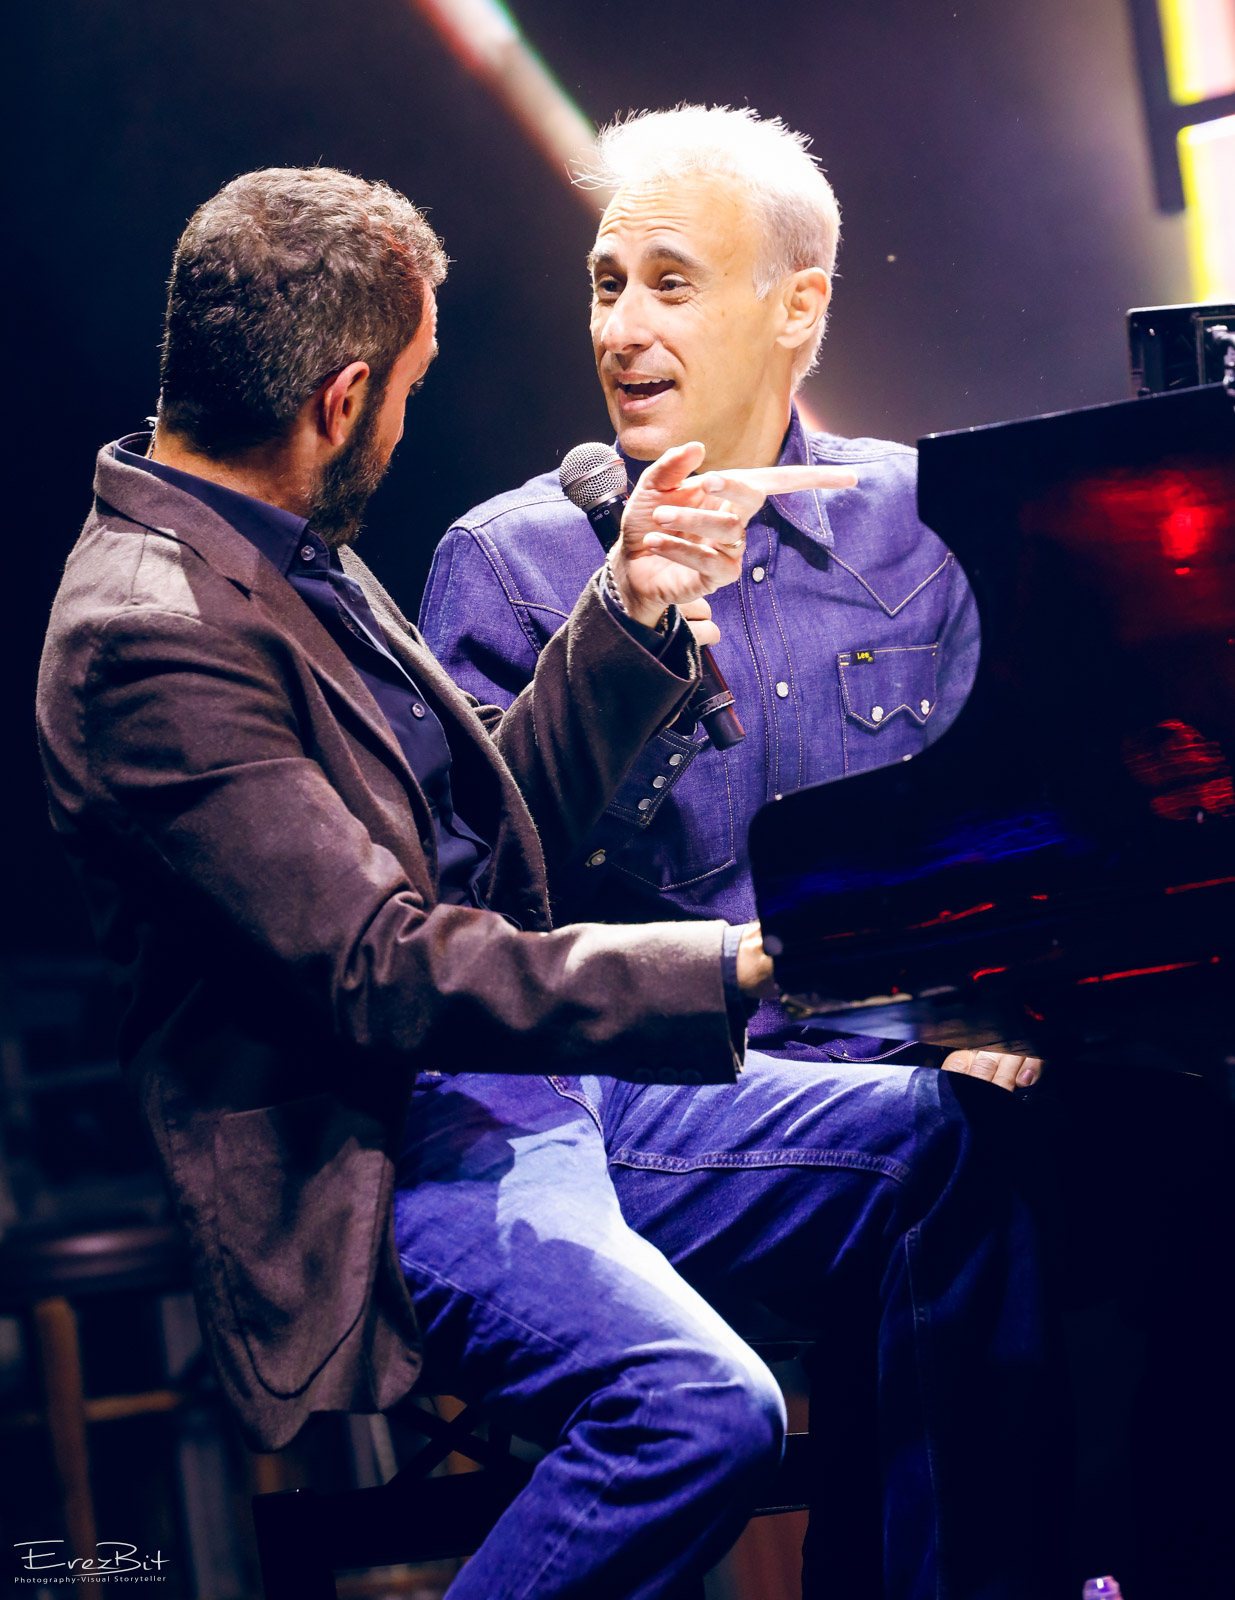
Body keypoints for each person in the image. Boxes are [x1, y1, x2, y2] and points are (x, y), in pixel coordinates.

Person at [37, 165, 1049, 1600]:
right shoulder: (152, 633)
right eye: (405, 391)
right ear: (341, 398)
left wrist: (627, 618)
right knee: (695, 1414)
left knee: (952, 1146)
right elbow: (385, 971)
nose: (405, 423)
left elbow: (474, 850)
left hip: (537, 1089)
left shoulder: (268, 547)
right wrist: (738, 963)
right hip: (388, 1147)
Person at [423, 105, 998, 1075]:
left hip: (911, 1055)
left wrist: (1004, 1010)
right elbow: (468, 904)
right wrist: (618, 629)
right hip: (659, 1085)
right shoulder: (503, 560)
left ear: (797, 306)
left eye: (669, 285)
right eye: (606, 286)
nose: (620, 330)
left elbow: (1011, 822)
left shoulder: (924, 520)